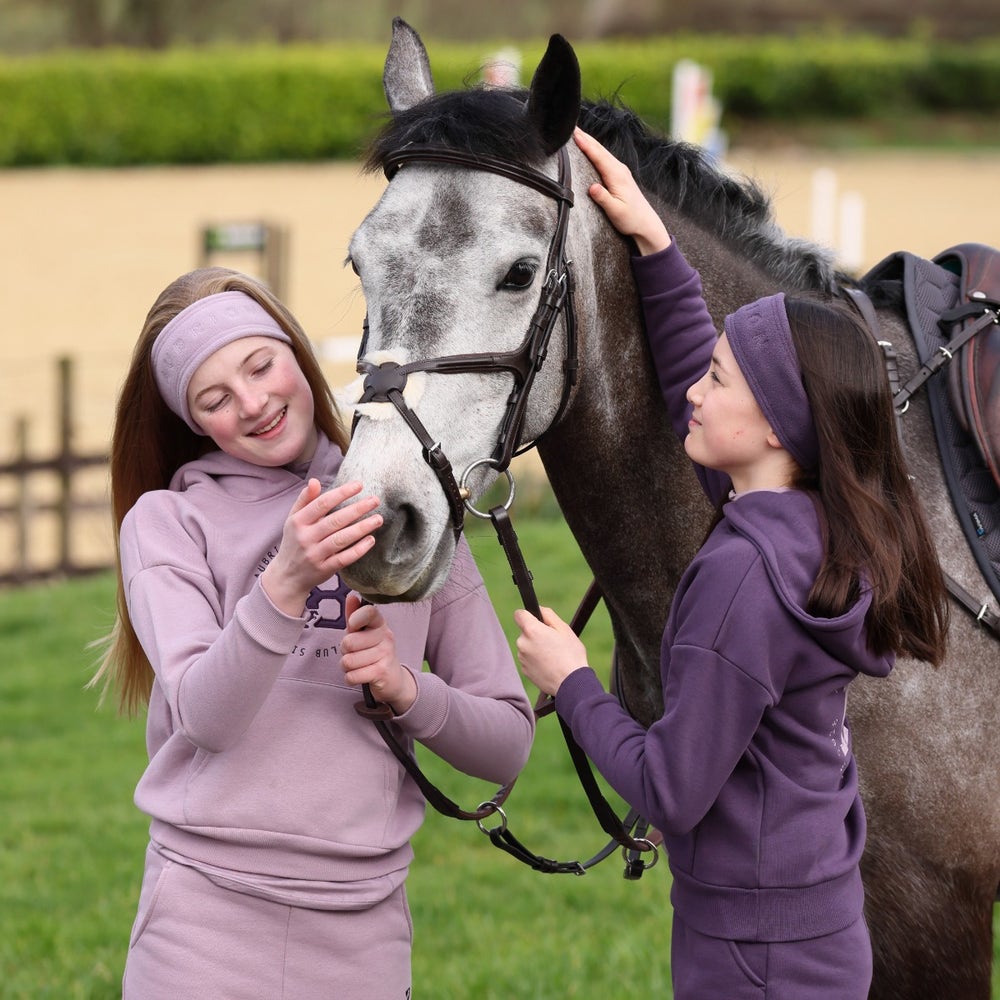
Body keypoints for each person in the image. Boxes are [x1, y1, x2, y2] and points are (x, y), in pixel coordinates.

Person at [515, 129, 949, 1000]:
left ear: (776, 430)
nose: (693, 394)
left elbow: (670, 789)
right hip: (818, 923)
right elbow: (694, 381)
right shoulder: (814, 524)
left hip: (752, 956)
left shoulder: (739, 579)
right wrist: (657, 245)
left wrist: (573, 684)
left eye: (719, 380)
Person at [92, 266, 534, 1000]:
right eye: (216, 399)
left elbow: (508, 743)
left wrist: (407, 691)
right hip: (204, 932)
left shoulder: (401, 506)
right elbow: (206, 717)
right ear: (195, 422)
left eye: (261, 365)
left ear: (295, 352)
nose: (255, 403)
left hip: (364, 939)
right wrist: (287, 579)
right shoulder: (167, 525)